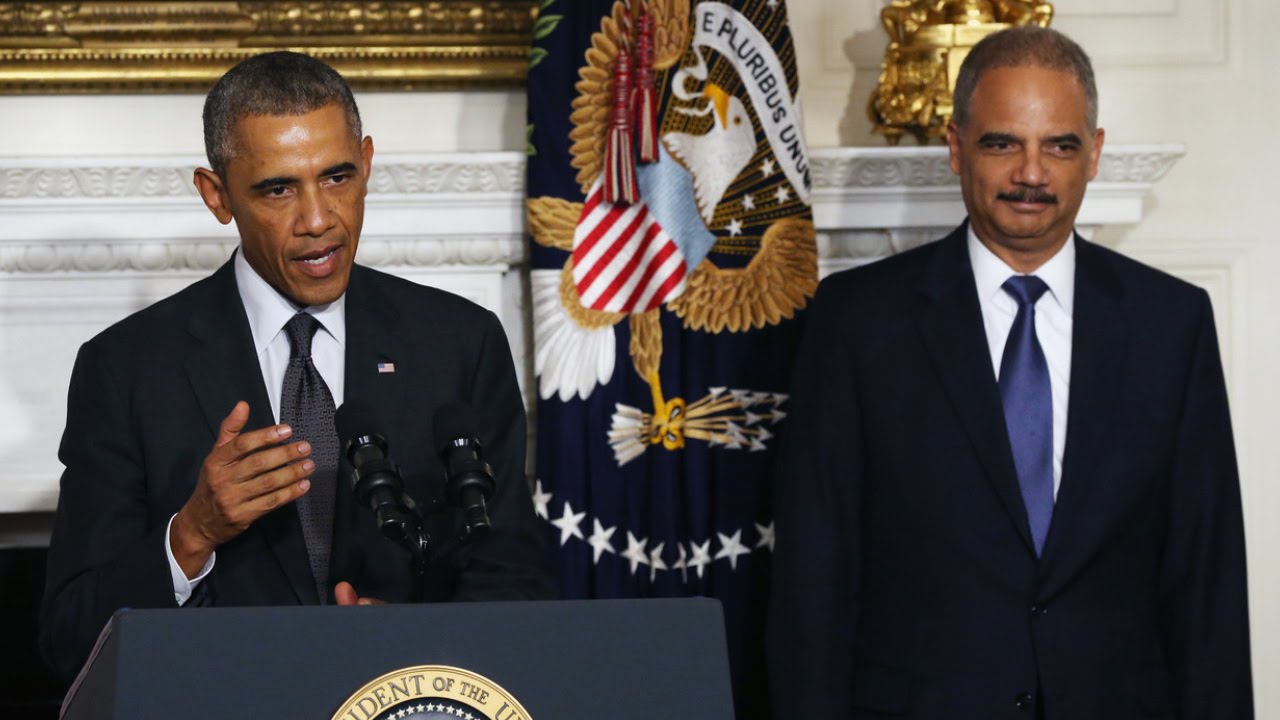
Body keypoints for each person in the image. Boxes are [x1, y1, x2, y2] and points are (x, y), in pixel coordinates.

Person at [767, 26, 1252, 719]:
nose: (1032, 172)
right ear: (957, 149)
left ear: (1095, 154)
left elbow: (1207, 582)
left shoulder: (1171, 325)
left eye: (1060, 144)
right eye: (1003, 143)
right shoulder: (858, 322)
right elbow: (814, 577)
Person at [40, 51, 556, 684]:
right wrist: (193, 533)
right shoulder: (125, 369)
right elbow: (70, 639)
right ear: (217, 195)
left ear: (366, 165)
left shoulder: (459, 343)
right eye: (279, 189)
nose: (318, 220)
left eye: (337, 177)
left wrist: (413, 648)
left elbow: (515, 580)